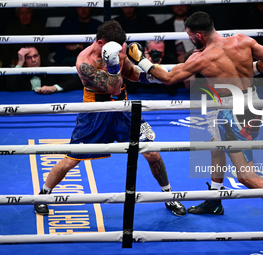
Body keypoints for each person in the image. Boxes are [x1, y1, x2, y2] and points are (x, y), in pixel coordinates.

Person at [127, 11, 263, 231]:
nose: (190, 39)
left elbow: (169, 79)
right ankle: (214, 200)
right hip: (251, 101)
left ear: (198, 36)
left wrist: (141, 61)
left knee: (244, 175)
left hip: (234, 112)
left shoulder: (201, 58)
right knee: (216, 146)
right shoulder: (243, 40)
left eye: (190, 36)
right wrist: (246, 72)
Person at [34, 20, 186, 217]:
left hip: (123, 109)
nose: (121, 51)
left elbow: (130, 73)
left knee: (152, 153)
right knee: (71, 160)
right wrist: (112, 65)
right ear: (99, 43)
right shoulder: (85, 61)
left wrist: (149, 75)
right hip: (95, 112)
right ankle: (43, 195)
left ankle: (169, 196)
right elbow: (111, 87)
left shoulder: (120, 47)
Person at [5, 46, 82, 93]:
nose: (33, 60)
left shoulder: (51, 67)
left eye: (35, 56)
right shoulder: (20, 70)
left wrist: (54, 88)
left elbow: (74, 82)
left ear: (39, 57)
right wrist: (20, 62)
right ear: (24, 62)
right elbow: (10, 86)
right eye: (29, 58)